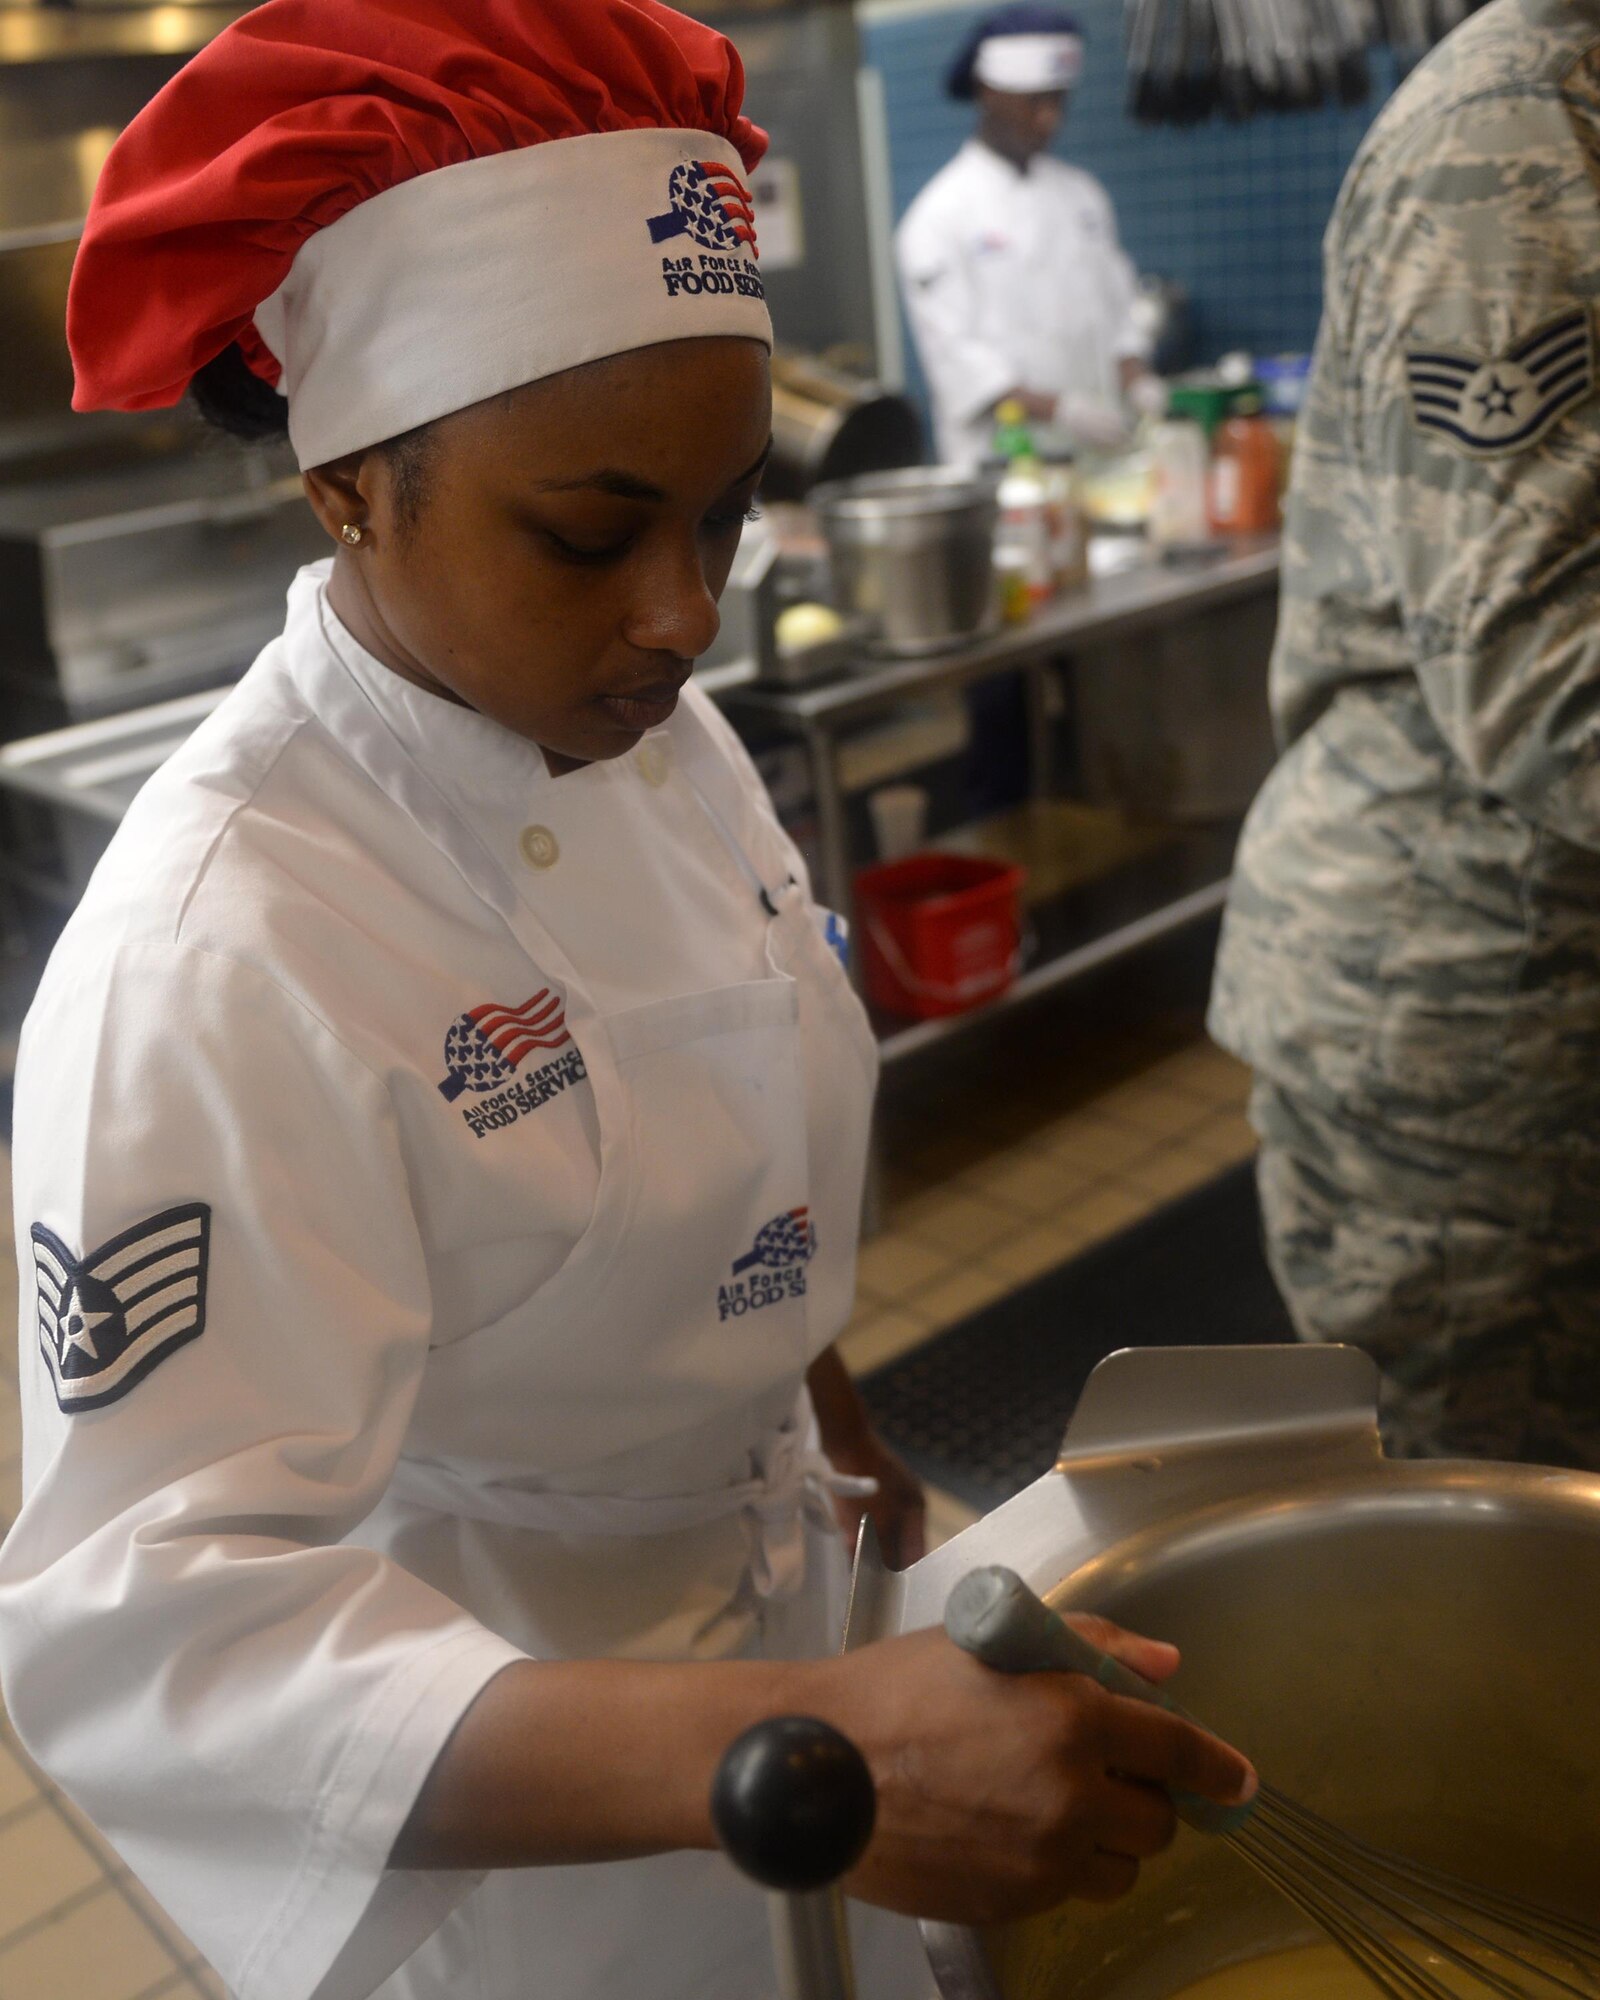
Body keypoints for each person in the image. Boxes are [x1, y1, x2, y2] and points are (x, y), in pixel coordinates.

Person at [0, 4, 1257, 1999]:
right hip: (515, 1804)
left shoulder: (651, 738)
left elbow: (702, 1152)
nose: (684, 611)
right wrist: (808, 1747)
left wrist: (822, 1413)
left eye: (723, 513)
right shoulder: (223, 952)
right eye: (589, 532)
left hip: (789, 1616)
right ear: (348, 485)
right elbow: (149, 1639)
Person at [1210, 0, 1600, 1473]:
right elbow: (1544, 679)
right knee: (1501, 1618)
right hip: (1476, 1056)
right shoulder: (1522, 127)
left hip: (1546, 1021)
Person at [895, 2, 1159, 467]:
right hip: (1003, 470)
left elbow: (1117, 315)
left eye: (1058, 100)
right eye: (1033, 101)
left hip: (1101, 461)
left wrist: (1138, 380)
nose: (1048, 119)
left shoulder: (1084, 197)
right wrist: (1063, 410)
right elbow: (959, 360)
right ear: (988, 93)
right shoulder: (937, 218)